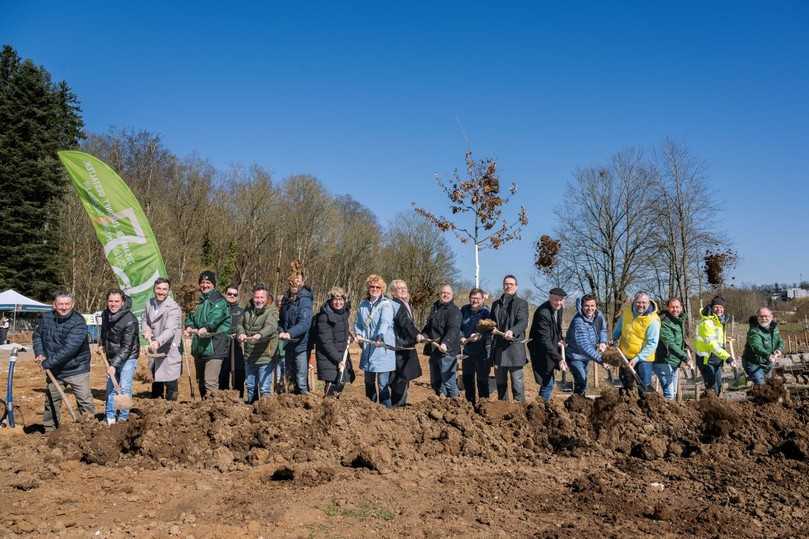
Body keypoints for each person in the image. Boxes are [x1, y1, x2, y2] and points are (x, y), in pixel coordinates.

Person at [33, 292, 94, 429]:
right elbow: (37, 336)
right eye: (60, 304)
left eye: (67, 304)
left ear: (72, 305)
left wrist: (47, 363)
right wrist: (40, 353)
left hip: (76, 368)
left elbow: (69, 350)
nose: (64, 307)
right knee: (51, 400)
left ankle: (90, 428)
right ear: (54, 305)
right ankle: (50, 429)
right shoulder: (46, 318)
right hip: (55, 370)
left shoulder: (78, 322)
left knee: (84, 400)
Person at [185, 271, 231, 398]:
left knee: (210, 382)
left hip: (215, 346)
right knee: (200, 382)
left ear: (214, 285)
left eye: (208, 282)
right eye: (202, 282)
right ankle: (204, 407)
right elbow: (190, 316)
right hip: (199, 346)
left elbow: (216, 318)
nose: (205, 285)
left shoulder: (219, 301)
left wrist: (206, 327)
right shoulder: (198, 301)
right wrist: (189, 326)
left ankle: (213, 407)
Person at [99, 289, 139, 425]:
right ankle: (110, 418)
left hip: (128, 356)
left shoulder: (130, 320)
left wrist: (114, 366)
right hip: (112, 355)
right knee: (111, 387)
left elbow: (127, 347)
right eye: (110, 301)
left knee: (124, 387)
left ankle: (123, 419)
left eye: (117, 301)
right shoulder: (105, 314)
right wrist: (101, 344)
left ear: (122, 302)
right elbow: (104, 331)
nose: (113, 304)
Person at [355, 274, 396, 407]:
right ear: (368, 288)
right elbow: (358, 323)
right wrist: (358, 334)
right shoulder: (363, 305)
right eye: (372, 286)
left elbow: (385, 322)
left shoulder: (386, 304)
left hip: (382, 348)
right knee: (368, 382)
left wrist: (380, 336)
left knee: (383, 384)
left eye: (378, 287)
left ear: (382, 289)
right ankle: (370, 409)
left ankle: (385, 411)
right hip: (368, 349)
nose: (374, 289)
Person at [236, 285, 279, 402]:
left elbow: (271, 326)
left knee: (264, 388)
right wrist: (241, 333)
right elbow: (240, 324)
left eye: (261, 297)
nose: (259, 300)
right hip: (249, 355)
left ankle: (265, 410)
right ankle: (251, 408)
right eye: (256, 297)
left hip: (265, 355)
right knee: (250, 386)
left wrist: (260, 335)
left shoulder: (272, 311)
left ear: (266, 298)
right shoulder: (248, 310)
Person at [143, 277, 183, 401]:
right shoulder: (149, 303)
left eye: (164, 289)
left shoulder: (173, 307)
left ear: (168, 291)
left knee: (170, 380)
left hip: (168, 348)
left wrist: (158, 341)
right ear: (154, 289)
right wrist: (146, 330)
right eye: (158, 288)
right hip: (155, 348)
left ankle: (172, 407)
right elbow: (145, 320)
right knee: (156, 379)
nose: (161, 292)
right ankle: (156, 405)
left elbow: (170, 330)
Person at [420, 284, 462, 399]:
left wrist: (445, 343)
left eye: (448, 293)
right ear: (439, 294)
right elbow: (429, 326)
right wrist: (423, 335)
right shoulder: (435, 308)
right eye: (443, 293)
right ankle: (442, 403)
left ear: (452, 295)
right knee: (436, 382)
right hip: (434, 350)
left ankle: (456, 404)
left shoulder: (454, 311)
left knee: (448, 382)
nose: (445, 295)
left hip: (447, 352)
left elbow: (453, 329)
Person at [613, 292, 660, 393]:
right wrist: (614, 339)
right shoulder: (627, 312)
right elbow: (618, 328)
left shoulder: (653, 320)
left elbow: (652, 344)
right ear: (634, 302)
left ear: (649, 303)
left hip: (644, 359)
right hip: (625, 356)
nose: (641, 305)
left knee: (644, 386)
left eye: (644, 302)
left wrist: (637, 358)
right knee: (625, 384)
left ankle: (645, 400)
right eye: (638, 302)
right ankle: (627, 401)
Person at [278, 267, 314, 394]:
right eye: (292, 281)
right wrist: (280, 331)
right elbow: (281, 321)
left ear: (302, 282)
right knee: (289, 376)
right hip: (288, 344)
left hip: (301, 345)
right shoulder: (286, 300)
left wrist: (290, 333)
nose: (295, 283)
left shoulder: (305, 300)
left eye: (298, 281)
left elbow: (304, 323)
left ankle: (304, 399)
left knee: (300, 378)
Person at [314, 287, 354, 397]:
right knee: (332, 386)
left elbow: (341, 330)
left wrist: (349, 336)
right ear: (331, 300)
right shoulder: (324, 316)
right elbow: (326, 342)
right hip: (328, 356)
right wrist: (339, 359)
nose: (338, 302)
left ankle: (334, 404)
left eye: (341, 299)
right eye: (335, 299)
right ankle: (328, 405)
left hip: (341, 353)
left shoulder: (344, 313)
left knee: (340, 384)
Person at [565, 294, 608, 396]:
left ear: (596, 306)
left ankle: (579, 398)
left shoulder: (598, 315)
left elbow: (603, 329)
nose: (590, 308)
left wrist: (603, 342)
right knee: (581, 379)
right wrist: (601, 360)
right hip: (575, 356)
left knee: (582, 380)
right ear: (582, 306)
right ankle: (576, 401)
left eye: (592, 306)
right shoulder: (578, 321)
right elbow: (584, 345)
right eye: (587, 306)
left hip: (586, 356)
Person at [528, 287, 566, 401]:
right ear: (550, 298)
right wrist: (559, 358)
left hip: (549, 346)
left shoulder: (559, 308)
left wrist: (560, 339)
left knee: (548, 381)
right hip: (540, 349)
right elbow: (544, 340)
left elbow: (557, 327)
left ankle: (541, 404)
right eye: (555, 300)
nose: (558, 302)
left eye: (561, 300)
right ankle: (542, 406)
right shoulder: (543, 313)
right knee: (547, 381)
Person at [389, 279, 421, 407]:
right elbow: (405, 323)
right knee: (400, 377)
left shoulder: (405, 303)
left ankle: (400, 404)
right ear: (393, 292)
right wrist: (417, 335)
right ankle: (397, 405)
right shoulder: (396, 304)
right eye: (399, 288)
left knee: (405, 376)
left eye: (404, 288)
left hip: (406, 345)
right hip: (400, 347)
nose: (402, 290)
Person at [694, 295, 734, 394]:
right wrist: (727, 357)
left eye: (721, 307)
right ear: (711, 308)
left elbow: (718, 340)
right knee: (712, 387)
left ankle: (715, 400)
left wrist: (725, 341)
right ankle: (708, 402)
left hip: (717, 358)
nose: (719, 309)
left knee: (718, 386)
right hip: (706, 359)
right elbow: (712, 344)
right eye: (716, 307)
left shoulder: (720, 322)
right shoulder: (707, 322)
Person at [460, 288, 493, 403]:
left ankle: (484, 405)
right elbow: (458, 327)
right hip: (467, 351)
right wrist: (461, 337)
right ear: (469, 298)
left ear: (483, 299)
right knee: (467, 379)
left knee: (482, 380)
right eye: (473, 298)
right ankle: (470, 405)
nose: (475, 300)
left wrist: (480, 336)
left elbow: (489, 330)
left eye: (478, 298)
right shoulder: (464, 310)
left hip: (482, 352)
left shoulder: (486, 313)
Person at [654, 298, 691, 400]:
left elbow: (678, 340)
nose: (675, 309)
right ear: (668, 308)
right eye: (672, 307)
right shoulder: (664, 322)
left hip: (674, 361)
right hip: (664, 360)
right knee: (669, 394)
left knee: (673, 393)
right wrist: (685, 357)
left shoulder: (679, 321)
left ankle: (668, 409)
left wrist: (686, 346)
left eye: (677, 307)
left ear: (681, 308)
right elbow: (670, 344)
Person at [742, 307, 783, 386]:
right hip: (754, 363)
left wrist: (779, 350)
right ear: (757, 317)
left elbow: (780, 341)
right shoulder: (754, 331)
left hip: (768, 362)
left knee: (771, 383)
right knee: (761, 385)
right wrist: (768, 355)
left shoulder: (774, 328)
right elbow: (757, 347)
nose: (764, 319)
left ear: (771, 317)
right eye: (761, 316)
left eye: (766, 316)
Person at [219, 285, 246, 397]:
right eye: (229, 294)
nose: (232, 296)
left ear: (238, 296)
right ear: (225, 294)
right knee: (223, 372)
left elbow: (244, 326)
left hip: (237, 345)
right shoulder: (219, 310)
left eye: (234, 294)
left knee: (239, 372)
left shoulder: (241, 311)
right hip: (222, 345)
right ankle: (222, 398)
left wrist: (239, 334)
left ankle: (239, 397)